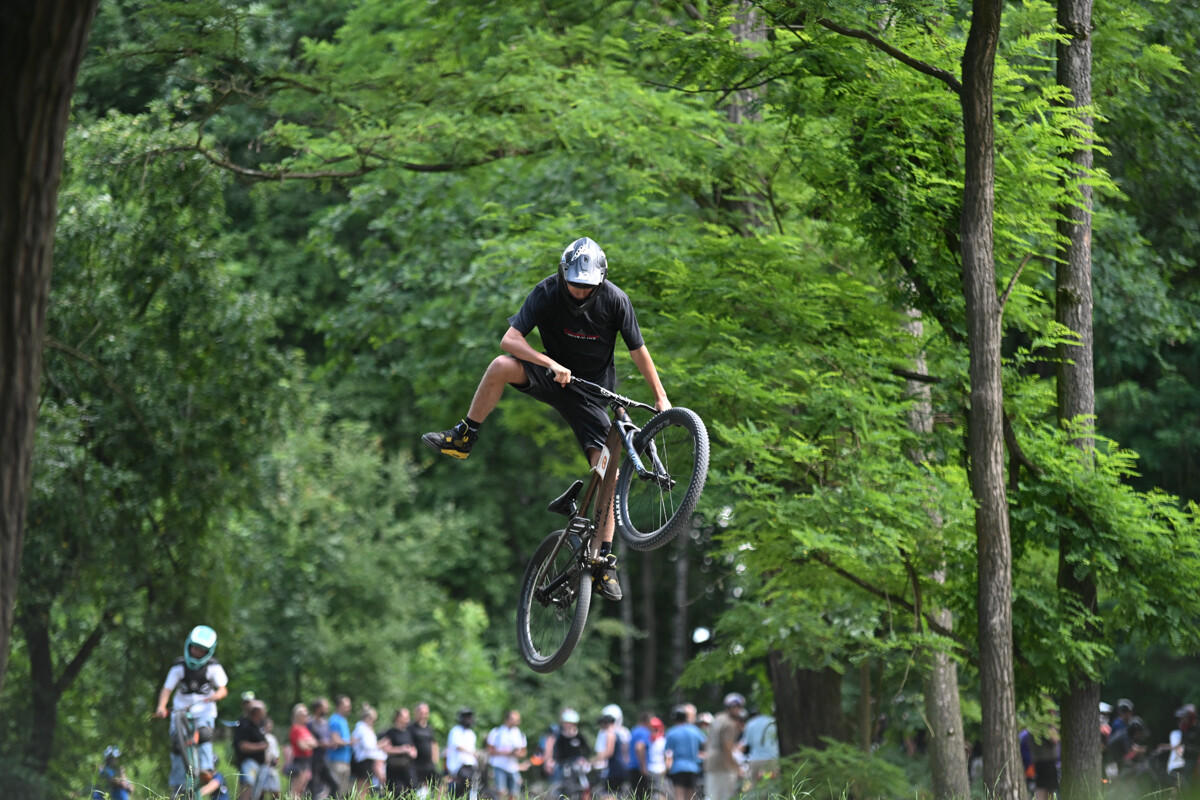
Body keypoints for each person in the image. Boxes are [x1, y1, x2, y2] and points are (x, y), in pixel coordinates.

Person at [421, 237, 671, 601]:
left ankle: (602, 560)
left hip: (592, 396)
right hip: (552, 377)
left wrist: (661, 396)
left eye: (588, 286)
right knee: (501, 366)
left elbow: (638, 350)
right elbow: (510, 340)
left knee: (609, 473)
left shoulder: (616, 300)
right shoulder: (547, 291)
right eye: (574, 284)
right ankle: (464, 437)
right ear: (563, 273)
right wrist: (549, 363)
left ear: (601, 280)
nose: (580, 292)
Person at [154, 625, 229, 794]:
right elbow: (167, 689)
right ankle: (177, 784)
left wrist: (217, 695)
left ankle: (206, 769)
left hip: (204, 711)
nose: (197, 652)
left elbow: (223, 689)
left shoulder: (213, 667)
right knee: (176, 741)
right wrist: (161, 707)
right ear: (189, 645)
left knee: (204, 734)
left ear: (208, 651)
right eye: (195, 648)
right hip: (180, 711)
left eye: (202, 650)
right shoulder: (179, 667)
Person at [704, 693, 746, 800]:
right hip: (723, 765)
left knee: (712, 795)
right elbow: (727, 747)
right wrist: (734, 767)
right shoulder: (729, 724)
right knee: (726, 796)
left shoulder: (717, 718)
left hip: (710, 761)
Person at [664, 706, 707, 800]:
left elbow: (668, 753)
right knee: (690, 796)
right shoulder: (695, 731)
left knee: (679, 796)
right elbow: (704, 744)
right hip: (693, 768)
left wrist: (667, 769)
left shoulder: (671, 732)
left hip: (677, 768)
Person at [487, 709, 528, 800]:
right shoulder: (496, 732)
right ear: (507, 719)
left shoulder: (520, 734)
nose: (517, 722)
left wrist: (517, 754)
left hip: (513, 767)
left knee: (514, 794)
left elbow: (524, 752)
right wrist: (508, 753)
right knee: (500, 792)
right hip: (499, 766)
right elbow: (490, 750)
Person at [549, 709, 591, 797]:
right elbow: (556, 752)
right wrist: (554, 761)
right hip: (564, 765)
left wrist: (583, 758)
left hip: (577, 765)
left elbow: (587, 750)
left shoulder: (579, 736)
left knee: (584, 783)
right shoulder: (560, 737)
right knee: (560, 784)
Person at [232, 700, 269, 800]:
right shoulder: (244, 725)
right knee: (247, 787)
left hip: (260, 764)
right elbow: (243, 745)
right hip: (249, 762)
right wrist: (261, 746)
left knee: (256, 793)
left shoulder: (258, 725)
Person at [380, 707, 418, 795]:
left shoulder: (408, 732)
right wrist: (402, 749)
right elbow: (386, 748)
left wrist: (413, 752)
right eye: (405, 717)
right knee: (397, 791)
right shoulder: (391, 732)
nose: (407, 720)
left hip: (407, 767)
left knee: (412, 788)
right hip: (395, 768)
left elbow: (412, 747)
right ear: (398, 718)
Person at [351, 703, 386, 794]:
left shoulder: (365, 729)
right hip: (363, 761)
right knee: (362, 787)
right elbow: (368, 746)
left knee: (366, 787)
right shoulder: (362, 729)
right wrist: (380, 745)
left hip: (367, 761)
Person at [446, 707, 479, 798]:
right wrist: (472, 753)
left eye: (469, 717)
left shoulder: (471, 734)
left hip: (470, 766)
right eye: (466, 717)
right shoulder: (455, 731)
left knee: (471, 789)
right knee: (458, 792)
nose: (468, 719)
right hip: (458, 767)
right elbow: (458, 747)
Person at [741, 706, 778, 787]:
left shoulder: (750, 723)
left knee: (755, 787)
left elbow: (746, 744)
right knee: (771, 786)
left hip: (755, 760)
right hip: (772, 760)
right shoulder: (774, 722)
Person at [307, 697, 336, 800]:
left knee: (335, 785)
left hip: (324, 759)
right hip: (313, 760)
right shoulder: (309, 723)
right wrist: (320, 744)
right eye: (325, 707)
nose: (327, 709)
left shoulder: (325, 723)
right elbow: (307, 740)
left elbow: (328, 738)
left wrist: (331, 743)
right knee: (313, 789)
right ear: (318, 709)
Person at [287, 703, 319, 798]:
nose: (306, 716)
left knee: (302, 788)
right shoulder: (296, 729)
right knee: (296, 788)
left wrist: (307, 742)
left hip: (307, 761)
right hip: (300, 761)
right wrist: (309, 743)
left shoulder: (304, 729)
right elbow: (302, 746)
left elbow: (315, 742)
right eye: (304, 715)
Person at [410, 701, 442, 795]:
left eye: (426, 713)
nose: (424, 715)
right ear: (416, 713)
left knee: (439, 784)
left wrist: (435, 758)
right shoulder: (411, 728)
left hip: (429, 764)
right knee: (414, 788)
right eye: (422, 713)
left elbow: (434, 743)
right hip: (416, 765)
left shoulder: (429, 728)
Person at [326, 695, 353, 797]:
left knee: (343, 791)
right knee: (335, 790)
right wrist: (350, 742)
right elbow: (335, 740)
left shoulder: (344, 720)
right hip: (336, 760)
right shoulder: (334, 720)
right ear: (340, 706)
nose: (349, 708)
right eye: (347, 706)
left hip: (345, 760)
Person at [625, 711, 655, 799]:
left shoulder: (635, 730)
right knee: (643, 795)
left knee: (635, 795)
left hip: (632, 768)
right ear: (647, 720)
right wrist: (643, 767)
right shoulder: (644, 732)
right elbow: (639, 747)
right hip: (639, 769)